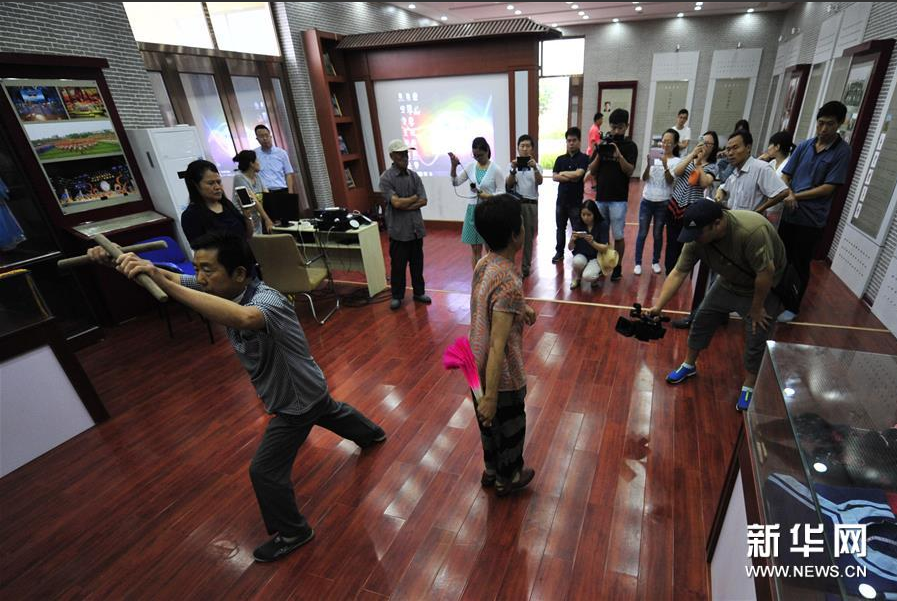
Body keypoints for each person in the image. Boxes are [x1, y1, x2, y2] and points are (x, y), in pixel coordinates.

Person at [86, 231, 386, 562]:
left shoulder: (268, 300)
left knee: (265, 471)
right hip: (308, 386)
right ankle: (371, 434)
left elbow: (242, 317)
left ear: (240, 273)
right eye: (197, 268)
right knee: (329, 410)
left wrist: (164, 283)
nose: (200, 277)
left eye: (207, 269)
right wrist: (119, 261)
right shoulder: (220, 286)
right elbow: (171, 278)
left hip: (295, 399)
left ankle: (293, 532)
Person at [645, 200, 786, 412]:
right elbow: (679, 272)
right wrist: (658, 306)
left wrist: (757, 308)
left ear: (717, 224)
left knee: (756, 334)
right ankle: (689, 365)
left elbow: (766, 273)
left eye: (698, 234)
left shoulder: (752, 231)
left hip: (761, 287)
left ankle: (749, 384)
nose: (694, 239)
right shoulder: (696, 237)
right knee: (702, 318)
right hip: (728, 282)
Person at [756, 101, 852, 323]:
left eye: (829, 124)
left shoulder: (842, 152)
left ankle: (793, 306)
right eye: (820, 123)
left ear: (839, 124)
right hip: (790, 214)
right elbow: (786, 175)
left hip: (812, 219)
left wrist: (795, 196)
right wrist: (788, 192)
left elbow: (829, 188)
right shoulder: (804, 146)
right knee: (781, 257)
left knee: (800, 263)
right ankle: (776, 293)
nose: (823, 129)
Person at [470, 194, 537, 496]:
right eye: (522, 223)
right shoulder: (510, 282)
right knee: (510, 426)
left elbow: (489, 302)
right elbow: (498, 346)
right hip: (502, 375)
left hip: (474, 366)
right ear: (514, 235)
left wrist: (522, 308)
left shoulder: (484, 264)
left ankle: (491, 469)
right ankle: (508, 477)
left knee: (487, 425)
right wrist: (492, 396)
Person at [379, 139, 431, 310]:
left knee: (417, 265)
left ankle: (419, 292)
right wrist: (413, 198)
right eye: (400, 154)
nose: (405, 157)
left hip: (415, 229)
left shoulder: (414, 176)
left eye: (406, 153)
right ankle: (397, 296)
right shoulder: (386, 178)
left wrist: (405, 203)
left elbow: (423, 200)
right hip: (398, 231)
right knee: (398, 267)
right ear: (392, 156)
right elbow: (396, 203)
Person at [587, 109, 637, 281]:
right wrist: (600, 153)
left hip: (618, 199)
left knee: (618, 235)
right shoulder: (603, 144)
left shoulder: (630, 146)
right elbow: (592, 170)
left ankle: (618, 266)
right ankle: (603, 264)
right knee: (602, 234)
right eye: (613, 127)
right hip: (601, 197)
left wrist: (618, 155)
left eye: (620, 127)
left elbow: (629, 171)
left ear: (626, 126)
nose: (616, 131)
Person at [666, 131, 719, 276]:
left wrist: (699, 163)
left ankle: (679, 273)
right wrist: (692, 155)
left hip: (691, 210)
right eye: (702, 141)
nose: (704, 145)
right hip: (674, 206)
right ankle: (669, 273)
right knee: (671, 242)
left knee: (684, 245)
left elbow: (704, 183)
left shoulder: (713, 166)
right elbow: (677, 172)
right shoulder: (689, 158)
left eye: (708, 143)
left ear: (713, 147)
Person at [450, 137, 506, 270]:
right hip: (473, 211)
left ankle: (490, 277)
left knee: (490, 249)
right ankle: (477, 278)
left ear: (487, 151)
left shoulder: (495, 169)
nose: (477, 158)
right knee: (475, 249)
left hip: (489, 211)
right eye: (475, 155)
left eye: (480, 155)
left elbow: (502, 193)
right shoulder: (471, 167)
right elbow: (455, 182)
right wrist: (453, 166)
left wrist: (488, 196)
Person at [635, 128, 681, 275]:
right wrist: (649, 164)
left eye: (669, 142)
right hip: (647, 200)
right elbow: (644, 178)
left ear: (675, 145)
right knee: (642, 233)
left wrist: (666, 165)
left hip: (663, 202)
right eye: (663, 141)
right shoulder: (654, 157)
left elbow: (670, 181)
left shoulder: (677, 161)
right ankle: (638, 262)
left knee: (657, 234)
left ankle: (655, 261)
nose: (665, 145)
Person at [180, 159, 251, 245]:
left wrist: (247, 214)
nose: (217, 187)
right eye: (211, 183)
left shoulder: (227, 205)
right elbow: (201, 250)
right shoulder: (190, 216)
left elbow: (248, 236)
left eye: (219, 182)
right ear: (195, 185)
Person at [716, 130, 789, 213]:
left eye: (735, 148)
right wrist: (720, 191)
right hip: (734, 218)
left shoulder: (761, 168)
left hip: (751, 220)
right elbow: (725, 187)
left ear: (748, 148)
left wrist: (758, 211)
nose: (730, 153)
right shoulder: (736, 171)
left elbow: (783, 192)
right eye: (728, 149)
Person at [551, 127, 591, 264]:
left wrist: (563, 174)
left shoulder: (584, 158)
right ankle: (559, 252)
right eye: (569, 141)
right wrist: (572, 176)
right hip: (561, 201)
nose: (571, 143)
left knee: (577, 229)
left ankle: (578, 252)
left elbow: (579, 174)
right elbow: (555, 177)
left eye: (574, 140)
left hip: (576, 202)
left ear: (579, 141)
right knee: (560, 228)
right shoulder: (560, 159)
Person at [506, 134, 543, 277]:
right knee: (512, 236)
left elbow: (539, 182)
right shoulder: (512, 165)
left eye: (528, 146)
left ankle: (525, 268)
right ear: (518, 148)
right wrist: (513, 169)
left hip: (530, 204)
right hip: (515, 204)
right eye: (522, 146)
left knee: (528, 238)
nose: (525, 148)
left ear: (532, 149)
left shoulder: (537, 166)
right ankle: (510, 266)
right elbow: (509, 184)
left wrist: (534, 168)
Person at [756, 130, 796, 226]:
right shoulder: (771, 163)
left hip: (779, 211)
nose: (768, 148)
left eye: (770, 145)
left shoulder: (789, 165)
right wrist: (760, 160)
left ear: (777, 147)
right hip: (766, 209)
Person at [568, 200, 611, 290]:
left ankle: (596, 275)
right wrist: (572, 240)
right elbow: (570, 248)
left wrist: (592, 242)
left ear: (595, 214)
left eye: (589, 215)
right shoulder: (578, 224)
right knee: (577, 262)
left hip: (597, 257)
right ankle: (578, 277)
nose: (585, 218)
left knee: (588, 276)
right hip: (581, 254)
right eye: (583, 214)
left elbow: (605, 248)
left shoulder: (602, 225)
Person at [232, 150, 275, 236]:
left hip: (256, 218)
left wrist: (274, 215)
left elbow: (267, 195)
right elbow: (253, 200)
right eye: (257, 160)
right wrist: (267, 219)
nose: (259, 163)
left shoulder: (257, 177)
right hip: (245, 219)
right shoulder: (239, 177)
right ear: (251, 163)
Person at [254, 124, 297, 193]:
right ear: (257, 139)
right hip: (264, 191)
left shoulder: (282, 153)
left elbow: (288, 174)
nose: (265, 138)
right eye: (261, 136)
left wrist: (290, 192)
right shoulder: (254, 154)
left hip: (282, 190)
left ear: (270, 136)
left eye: (266, 135)